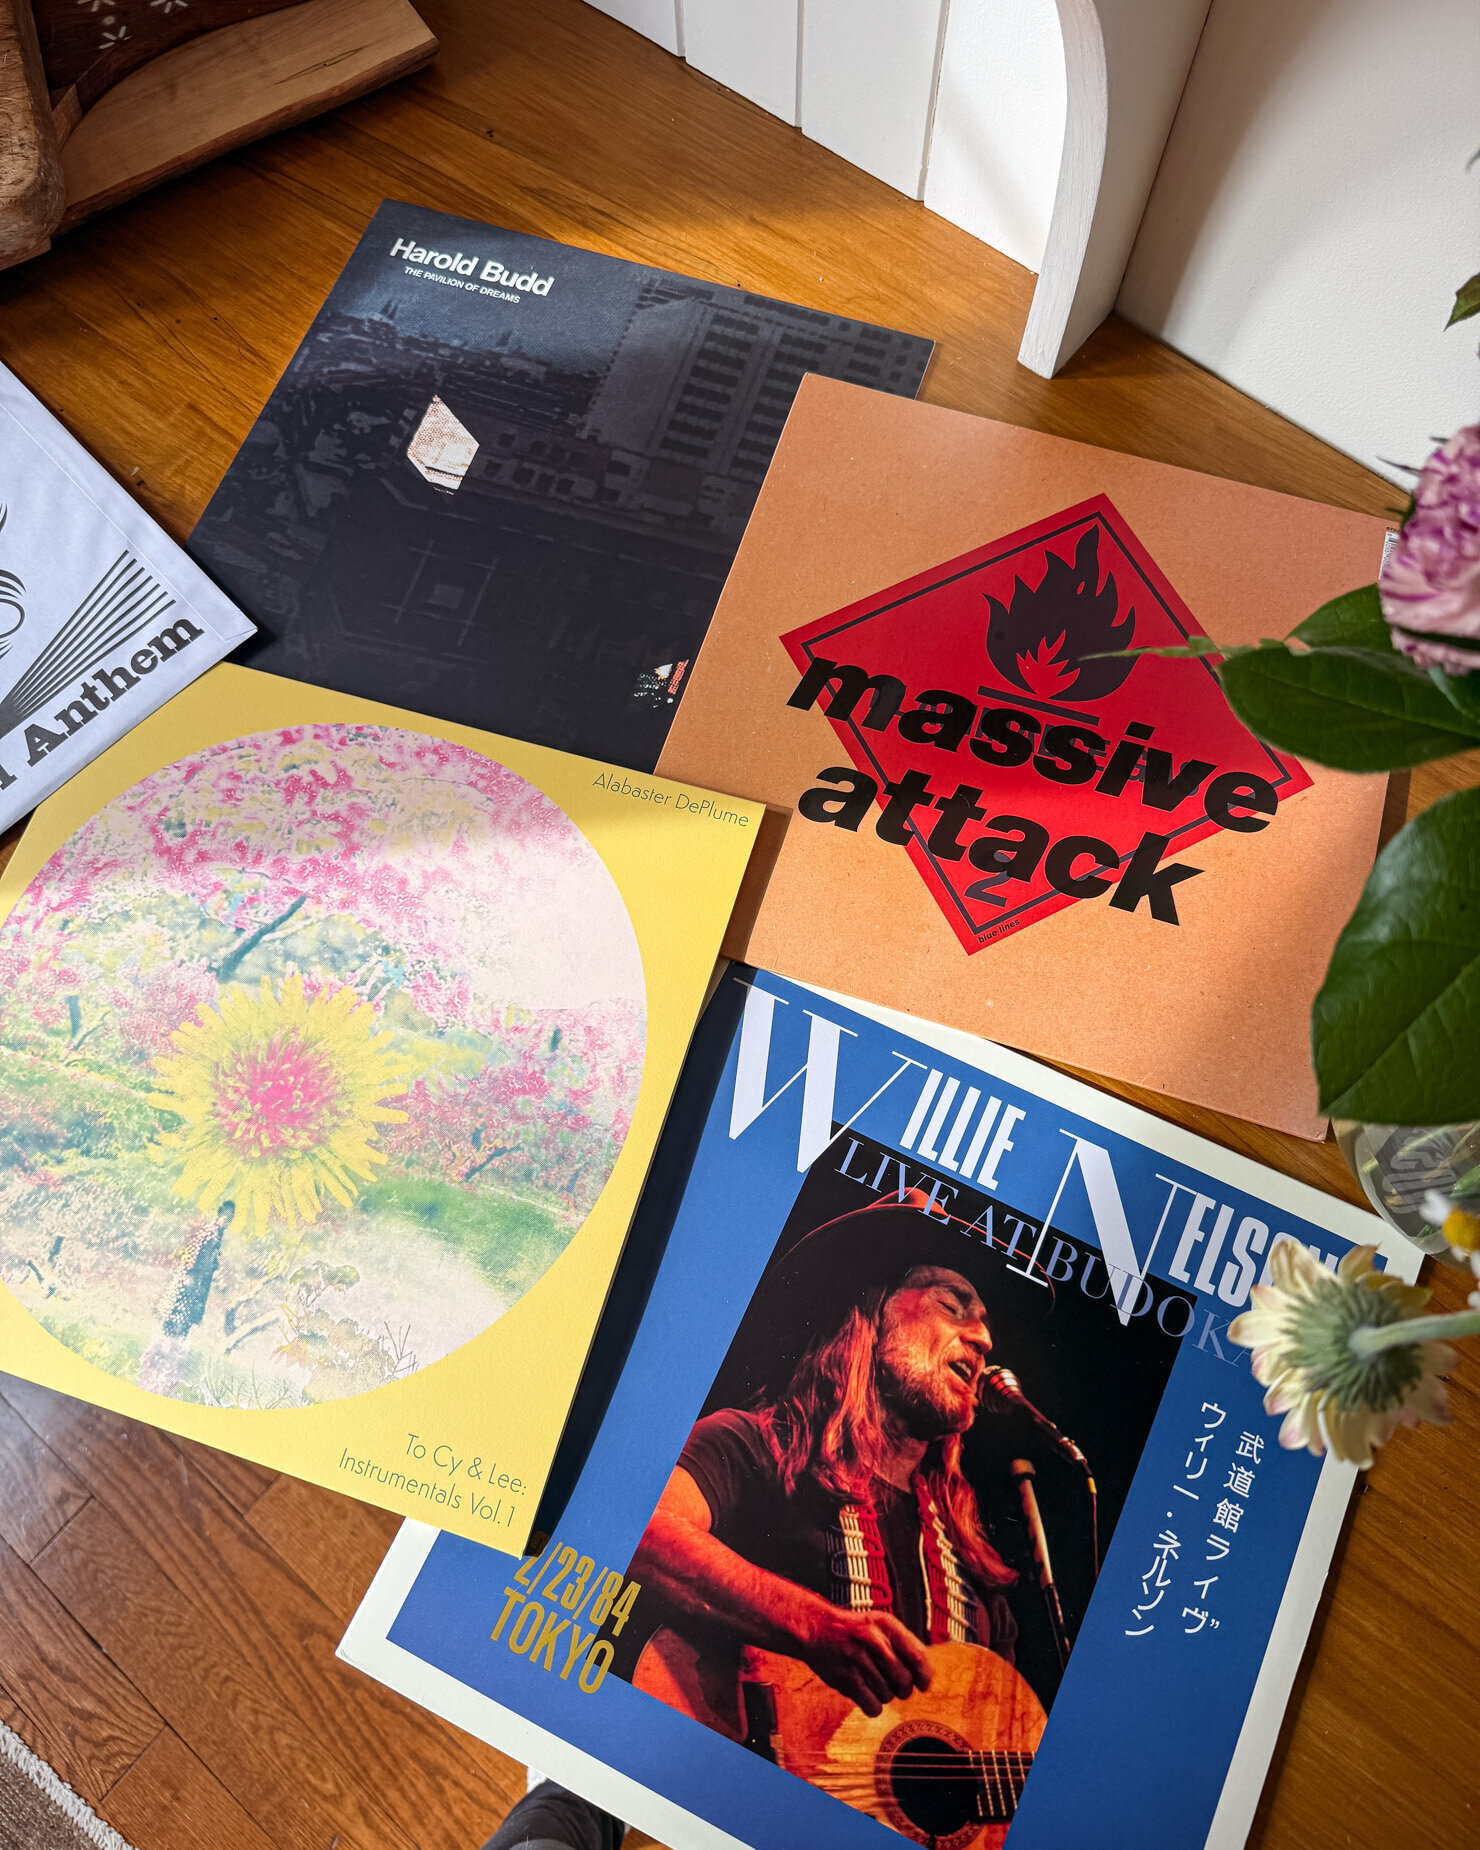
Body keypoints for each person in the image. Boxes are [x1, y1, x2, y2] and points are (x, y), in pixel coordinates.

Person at [627, 1201, 1019, 1722]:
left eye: (985, 1324)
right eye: (953, 1306)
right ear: (872, 1311)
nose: (984, 1340)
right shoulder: (751, 1444)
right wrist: (815, 1628)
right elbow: (637, 1533)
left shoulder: (974, 1566)